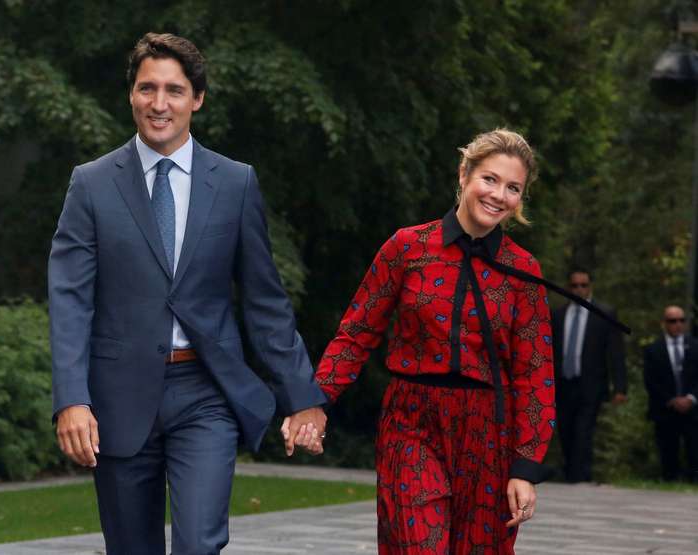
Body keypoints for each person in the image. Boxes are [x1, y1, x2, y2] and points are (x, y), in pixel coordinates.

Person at [48, 32, 326, 555]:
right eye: (147, 88)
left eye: (174, 90)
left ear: (196, 99)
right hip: (118, 396)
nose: (159, 104)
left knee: (200, 544)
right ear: (130, 94)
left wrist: (303, 396)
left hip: (205, 391)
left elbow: (265, 303)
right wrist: (72, 398)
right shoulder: (90, 184)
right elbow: (69, 299)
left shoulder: (237, 183)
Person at [286, 129, 556, 554]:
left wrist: (525, 467)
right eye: (489, 179)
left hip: (489, 436)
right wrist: (315, 401)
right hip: (412, 423)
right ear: (464, 174)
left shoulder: (523, 271)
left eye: (513, 188)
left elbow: (535, 376)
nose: (498, 195)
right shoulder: (407, 247)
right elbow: (356, 334)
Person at [551, 268, 627, 483]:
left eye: (583, 285)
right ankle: (571, 474)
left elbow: (615, 352)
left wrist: (620, 387)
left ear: (590, 287)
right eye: (574, 285)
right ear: (568, 287)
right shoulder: (558, 314)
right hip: (563, 383)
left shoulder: (604, 314)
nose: (579, 289)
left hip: (591, 384)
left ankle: (580, 476)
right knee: (565, 430)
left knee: (583, 431)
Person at [643, 305, 698, 482]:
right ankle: (670, 478)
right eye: (673, 321)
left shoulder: (695, 346)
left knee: (693, 447)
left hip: (693, 408)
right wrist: (671, 400)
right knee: (668, 448)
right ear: (664, 323)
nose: (678, 325)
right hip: (665, 408)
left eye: (681, 320)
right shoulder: (653, 350)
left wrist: (690, 398)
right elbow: (651, 380)